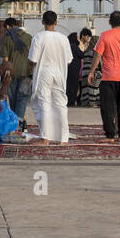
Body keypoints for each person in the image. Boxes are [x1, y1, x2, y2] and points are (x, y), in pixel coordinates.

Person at [88, 11, 120, 140]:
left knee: (107, 108)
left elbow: (97, 55)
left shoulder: (104, 36)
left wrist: (91, 71)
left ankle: (110, 135)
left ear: (109, 22)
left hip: (108, 77)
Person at [28, 10, 72, 145]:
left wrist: (31, 73)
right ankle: (64, 139)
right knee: (61, 105)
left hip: (43, 73)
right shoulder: (63, 38)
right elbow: (68, 60)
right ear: (56, 22)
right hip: (59, 73)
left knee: (44, 104)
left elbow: (32, 60)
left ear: (42, 22)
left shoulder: (38, 37)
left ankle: (45, 138)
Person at [0, 17, 33, 129]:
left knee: (13, 99)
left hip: (11, 74)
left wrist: (4, 76)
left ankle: (15, 123)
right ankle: (19, 121)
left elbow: (5, 60)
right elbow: (33, 58)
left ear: (8, 26)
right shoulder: (29, 37)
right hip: (26, 73)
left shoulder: (6, 39)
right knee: (22, 98)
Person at [78, 30, 99, 109]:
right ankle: (92, 103)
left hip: (85, 71)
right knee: (93, 87)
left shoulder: (87, 50)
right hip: (91, 70)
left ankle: (85, 102)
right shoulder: (95, 51)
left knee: (85, 87)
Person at [66, 32, 83, 107]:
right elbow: (81, 54)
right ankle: (71, 102)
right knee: (73, 86)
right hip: (74, 69)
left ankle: (69, 101)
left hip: (69, 69)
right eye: (77, 38)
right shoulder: (74, 47)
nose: (78, 39)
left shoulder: (69, 46)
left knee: (69, 86)